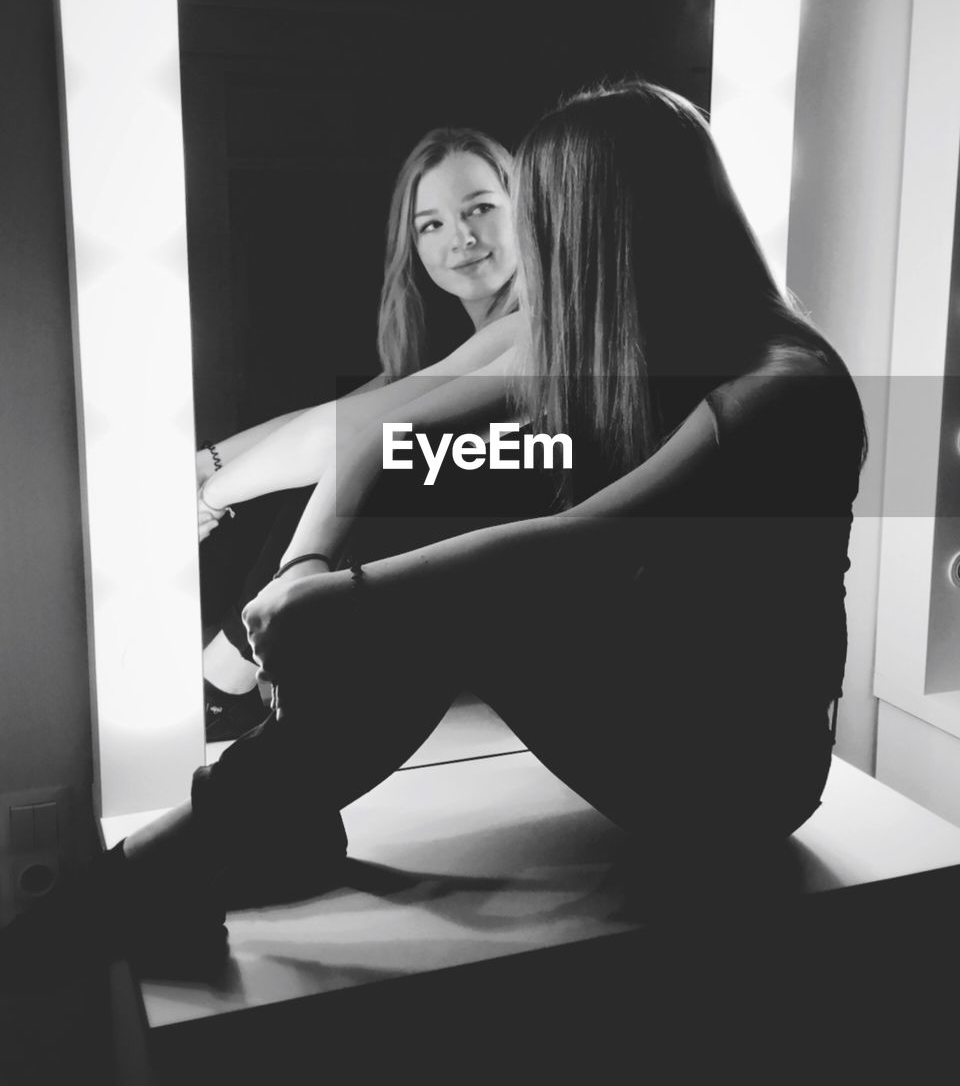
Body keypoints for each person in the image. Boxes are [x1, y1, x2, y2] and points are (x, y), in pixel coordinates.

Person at [1, 80, 866, 982]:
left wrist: (350, 600)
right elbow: (379, 435)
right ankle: (227, 833)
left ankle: (188, 851)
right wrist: (306, 566)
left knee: (466, 584)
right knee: (435, 483)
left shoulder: (780, 388)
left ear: (602, 226)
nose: (529, 246)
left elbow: (589, 543)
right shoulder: (615, 341)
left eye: (537, 217)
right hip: (659, 684)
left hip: (737, 776)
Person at [197, 126, 526, 738]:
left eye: (480, 208)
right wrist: (205, 464)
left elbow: (345, 436)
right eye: (431, 224)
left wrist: (211, 496)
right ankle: (230, 675)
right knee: (340, 454)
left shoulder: (536, 326)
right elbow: (329, 417)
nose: (462, 238)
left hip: (533, 589)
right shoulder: (451, 343)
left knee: (383, 464)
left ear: (524, 212)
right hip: (466, 588)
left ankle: (227, 677)